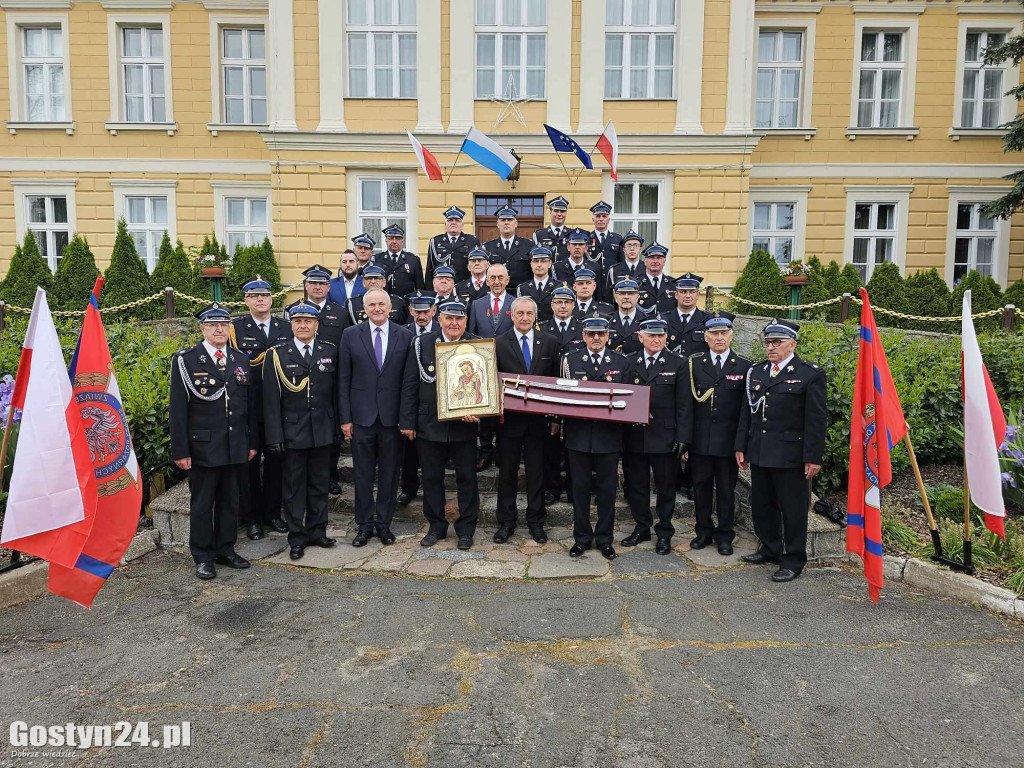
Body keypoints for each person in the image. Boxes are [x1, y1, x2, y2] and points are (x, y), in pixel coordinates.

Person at [169, 303, 257, 580]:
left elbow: (248, 407)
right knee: (203, 503)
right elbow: (178, 409)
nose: (219, 329)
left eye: (223, 325)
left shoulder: (241, 360)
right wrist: (181, 449)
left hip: (234, 444)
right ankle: (203, 556)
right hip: (203, 446)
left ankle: (226, 549)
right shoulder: (187, 360)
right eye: (213, 325)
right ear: (203, 328)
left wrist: (251, 441)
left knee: (231, 501)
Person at [736, 318, 827, 583]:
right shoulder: (758, 371)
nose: (770, 347)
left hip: (790, 456)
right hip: (761, 452)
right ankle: (770, 548)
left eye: (777, 342)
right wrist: (740, 446)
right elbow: (747, 413)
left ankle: (793, 560)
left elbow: (816, 420)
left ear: (792, 344)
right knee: (762, 506)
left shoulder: (809, 373)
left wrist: (812, 456)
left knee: (793, 510)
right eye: (767, 342)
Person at [399, 299, 481, 550]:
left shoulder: (477, 345)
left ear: (465, 321)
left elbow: (483, 388)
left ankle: (466, 529)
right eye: (449, 318)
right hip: (429, 424)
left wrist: (478, 412)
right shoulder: (421, 343)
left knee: (467, 479)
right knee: (432, 478)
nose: (454, 323)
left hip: (463, 426)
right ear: (439, 319)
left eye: (459, 318)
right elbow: (410, 384)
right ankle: (436, 526)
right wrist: (407, 421)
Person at [262, 300, 338, 561]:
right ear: (291, 325)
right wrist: (274, 436)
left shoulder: (329, 350)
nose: (303, 325)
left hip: (322, 431)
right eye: (298, 322)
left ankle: (318, 531)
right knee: (294, 489)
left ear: (317, 325)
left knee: (319, 485)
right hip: (292, 433)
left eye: (308, 321)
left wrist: (337, 425)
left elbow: (335, 394)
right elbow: (270, 401)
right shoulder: (277, 354)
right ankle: (297, 537)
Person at [338, 288, 414, 547]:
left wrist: (407, 420)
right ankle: (364, 525)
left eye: (382, 304)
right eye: (372, 305)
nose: (377, 308)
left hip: (392, 420)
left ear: (391, 306)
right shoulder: (350, 335)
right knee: (362, 474)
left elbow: (408, 382)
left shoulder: (405, 335)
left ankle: (384, 524)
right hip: (361, 418)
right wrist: (345, 418)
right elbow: (343, 379)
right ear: (364, 308)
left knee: (390, 474)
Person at [680, 311, 752, 556]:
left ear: (731, 336)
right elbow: (686, 406)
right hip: (700, 442)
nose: (719, 338)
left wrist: (741, 445)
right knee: (700, 488)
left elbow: (745, 412)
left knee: (725, 491)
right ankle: (703, 531)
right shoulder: (693, 363)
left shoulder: (744, 366)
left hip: (727, 443)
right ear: (706, 337)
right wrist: (685, 441)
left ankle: (725, 535)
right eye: (714, 334)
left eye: (724, 333)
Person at [560, 314, 630, 560]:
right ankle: (581, 538)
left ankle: (604, 539)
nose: (596, 338)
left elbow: (629, 400)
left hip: (609, 438)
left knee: (607, 491)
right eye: (591, 334)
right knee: (578, 491)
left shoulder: (621, 362)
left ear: (608, 336)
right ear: (584, 337)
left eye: (601, 334)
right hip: (578, 437)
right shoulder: (570, 360)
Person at [493, 297, 561, 544]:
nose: (524, 317)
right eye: (519, 313)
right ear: (511, 315)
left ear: (535, 316)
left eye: (529, 313)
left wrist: (555, 418)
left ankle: (536, 522)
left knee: (536, 473)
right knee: (508, 473)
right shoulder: (499, 344)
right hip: (508, 421)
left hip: (539, 422)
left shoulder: (550, 343)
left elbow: (555, 383)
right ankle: (506, 522)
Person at [230, 276, 291, 540]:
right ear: (246, 300)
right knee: (250, 464)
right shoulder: (236, 329)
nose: (260, 300)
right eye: (254, 296)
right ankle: (252, 517)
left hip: (278, 406)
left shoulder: (285, 327)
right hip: (249, 407)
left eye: (264, 295)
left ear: (271, 299)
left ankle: (272, 513)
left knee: (278, 462)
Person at [621, 317, 688, 554]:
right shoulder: (629, 362)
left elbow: (684, 405)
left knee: (666, 487)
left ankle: (664, 531)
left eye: (661, 336)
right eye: (651, 336)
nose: (657, 340)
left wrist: (683, 437)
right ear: (641, 337)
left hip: (665, 437)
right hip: (635, 436)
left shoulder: (678, 363)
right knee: (637, 486)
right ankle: (641, 527)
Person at [301, 264, 346, 495]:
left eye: (321, 283)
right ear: (306, 286)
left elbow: (346, 346)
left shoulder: (340, 312)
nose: (317, 287)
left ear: (329, 287)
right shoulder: (293, 311)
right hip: (300, 379)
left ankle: (330, 475)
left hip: (332, 377)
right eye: (313, 283)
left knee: (332, 430)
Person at [536, 284, 582, 504]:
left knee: (574, 443)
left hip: (575, 393)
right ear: (552, 305)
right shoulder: (541, 328)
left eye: (567, 302)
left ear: (574, 305)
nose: (563, 306)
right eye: (558, 302)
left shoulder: (582, 328)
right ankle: (552, 488)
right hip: (550, 391)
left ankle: (574, 489)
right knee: (550, 445)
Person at [468, 262, 515, 470]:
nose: (497, 282)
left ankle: (504, 454)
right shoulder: (477, 304)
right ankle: (485, 453)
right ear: (487, 281)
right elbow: (471, 334)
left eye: (500, 278)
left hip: (509, 365)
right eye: (493, 278)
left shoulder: (515, 304)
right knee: (485, 412)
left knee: (506, 411)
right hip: (483, 366)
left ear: (507, 280)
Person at [398, 292, 438, 506]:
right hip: (411, 397)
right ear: (411, 310)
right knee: (409, 451)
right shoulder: (403, 333)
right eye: (417, 311)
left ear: (433, 311)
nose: (421, 315)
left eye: (425, 311)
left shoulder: (442, 333)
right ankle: (408, 487)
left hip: (435, 403)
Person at [483, 205, 533, 290]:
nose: (506, 222)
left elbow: (532, 273)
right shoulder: (487, 247)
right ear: (498, 224)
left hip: (521, 294)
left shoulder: (528, 245)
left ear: (516, 223)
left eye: (509, 220)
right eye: (502, 220)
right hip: (496, 294)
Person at [426, 205, 480, 284]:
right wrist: (429, 293)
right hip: (442, 289)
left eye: (457, 220)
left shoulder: (472, 241)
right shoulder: (435, 241)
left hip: (465, 288)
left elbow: (478, 268)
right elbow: (429, 270)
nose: (453, 223)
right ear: (445, 224)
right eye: (450, 220)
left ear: (462, 225)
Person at [342, 264, 407, 328]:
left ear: (384, 282)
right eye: (369, 278)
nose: (373, 281)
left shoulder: (398, 303)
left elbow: (403, 328)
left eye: (377, 278)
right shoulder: (352, 304)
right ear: (363, 282)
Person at [373, 223, 424, 298]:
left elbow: (420, 287)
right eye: (391, 238)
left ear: (402, 241)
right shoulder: (377, 259)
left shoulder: (413, 260)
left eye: (398, 238)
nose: (394, 241)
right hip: (383, 303)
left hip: (406, 305)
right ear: (386, 240)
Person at [667, 272, 710, 359]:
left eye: (692, 292)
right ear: (676, 294)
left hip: (698, 369)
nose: (687, 296)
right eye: (683, 292)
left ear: (697, 295)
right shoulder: (665, 319)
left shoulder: (706, 320)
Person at [555, 228, 606, 292]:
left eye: (581, 244)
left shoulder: (594, 268)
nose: (577, 247)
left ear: (586, 248)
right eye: (574, 244)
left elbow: (598, 295)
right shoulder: (557, 268)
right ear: (568, 247)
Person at [607, 278, 647, 358]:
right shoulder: (607, 321)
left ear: (637, 297)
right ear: (615, 297)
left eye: (631, 293)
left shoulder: (646, 321)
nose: (626, 297)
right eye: (621, 294)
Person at [516, 246, 557, 321]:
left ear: (550, 263)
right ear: (531, 263)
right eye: (535, 261)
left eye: (543, 261)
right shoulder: (522, 289)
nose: (539, 265)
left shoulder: (558, 287)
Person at [635, 243, 675, 313]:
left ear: (664, 261)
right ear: (645, 261)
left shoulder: (673, 284)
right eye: (651, 257)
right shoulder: (636, 284)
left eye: (659, 258)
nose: (655, 261)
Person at [532, 195, 571, 261]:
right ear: (550, 212)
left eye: (562, 211)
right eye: (556, 211)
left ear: (566, 213)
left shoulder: (571, 234)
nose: (559, 214)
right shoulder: (539, 235)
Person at [588, 200, 623, 270]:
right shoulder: (587, 239)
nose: (601, 219)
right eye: (598, 216)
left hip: (611, 279)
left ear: (608, 220)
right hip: (592, 279)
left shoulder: (617, 239)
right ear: (593, 219)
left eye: (604, 216)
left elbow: (622, 263)